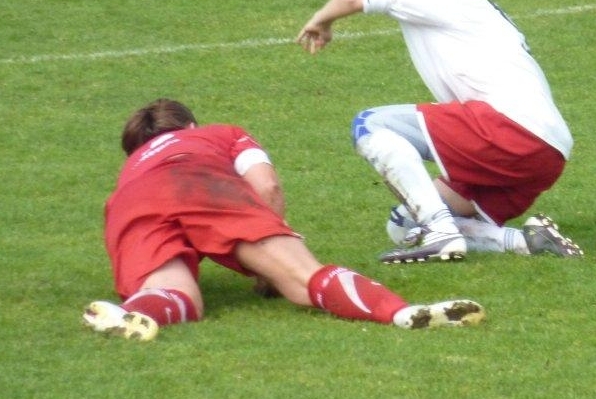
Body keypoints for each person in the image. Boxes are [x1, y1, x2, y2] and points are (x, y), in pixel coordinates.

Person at [82, 98, 484, 341]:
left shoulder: (132, 166)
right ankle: (399, 312)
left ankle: (140, 313)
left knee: (178, 294)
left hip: (129, 204)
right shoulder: (221, 134)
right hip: (198, 182)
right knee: (304, 277)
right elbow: (267, 186)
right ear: (191, 126)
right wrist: (268, 263)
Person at [296, 0, 583, 264]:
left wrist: (321, 21)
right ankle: (525, 241)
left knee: (370, 124)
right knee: (403, 225)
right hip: (547, 153)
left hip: (511, 129)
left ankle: (441, 232)